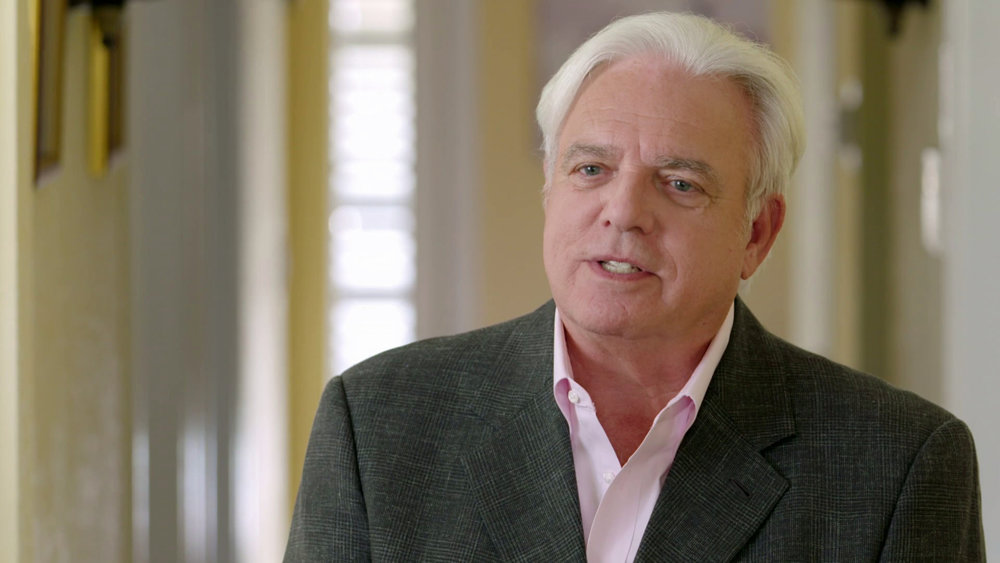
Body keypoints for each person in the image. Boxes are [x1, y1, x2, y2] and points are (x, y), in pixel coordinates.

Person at [285, 12, 984, 562]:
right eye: (590, 169)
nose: (622, 212)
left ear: (757, 233)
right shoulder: (377, 427)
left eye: (679, 183)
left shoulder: (899, 466)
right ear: (550, 190)